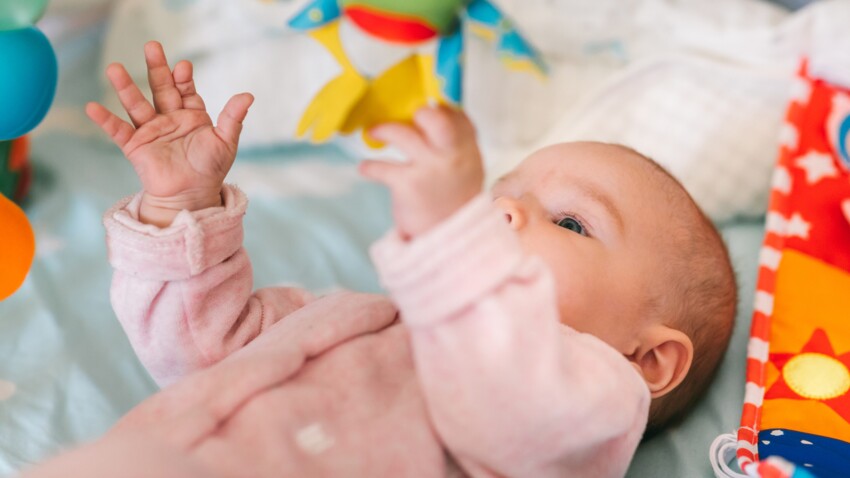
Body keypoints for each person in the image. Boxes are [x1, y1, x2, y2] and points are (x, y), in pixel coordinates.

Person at [29, 41, 737, 478]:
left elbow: (505, 403)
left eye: (572, 222)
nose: (505, 210)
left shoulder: (593, 401)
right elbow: (199, 350)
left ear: (648, 362)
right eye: (497, 194)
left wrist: (450, 234)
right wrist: (182, 205)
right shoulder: (344, 318)